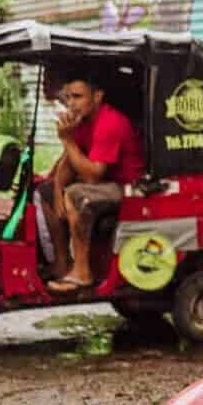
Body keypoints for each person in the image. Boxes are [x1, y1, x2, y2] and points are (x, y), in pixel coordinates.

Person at [42, 72, 145, 292]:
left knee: (77, 195)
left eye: (77, 97)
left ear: (97, 96)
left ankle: (82, 272)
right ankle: (62, 264)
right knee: (47, 190)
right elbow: (67, 163)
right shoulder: (83, 121)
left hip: (128, 188)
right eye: (68, 97)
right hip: (103, 185)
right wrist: (58, 189)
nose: (71, 103)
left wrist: (67, 140)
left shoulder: (110, 121)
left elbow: (92, 176)